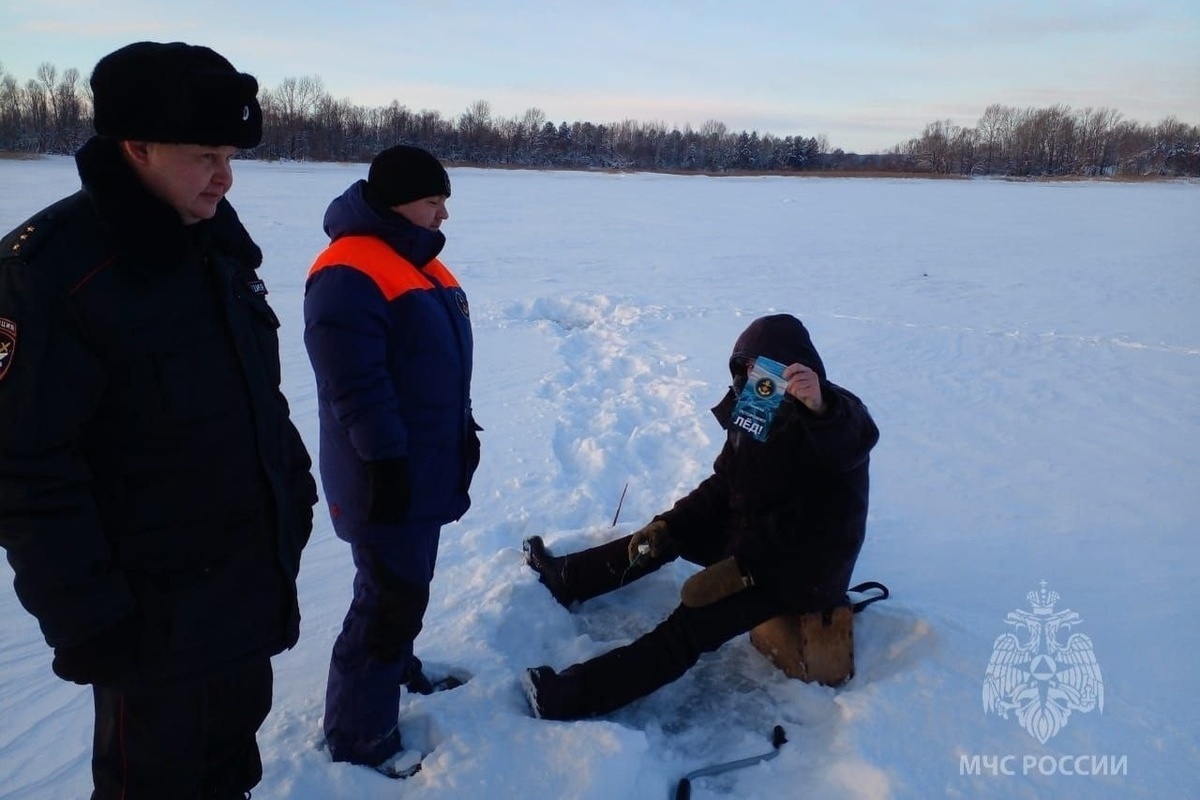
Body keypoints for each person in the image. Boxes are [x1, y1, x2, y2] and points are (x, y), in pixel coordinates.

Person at [0, 42, 317, 799]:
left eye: (231, 154)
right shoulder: (54, 274)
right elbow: (23, 466)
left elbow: (258, 401)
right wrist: (93, 622)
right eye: (205, 154)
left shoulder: (216, 246)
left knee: (231, 770)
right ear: (134, 147)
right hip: (149, 625)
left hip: (243, 594)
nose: (225, 175)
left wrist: (293, 499)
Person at [521, 313, 879, 719]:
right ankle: (569, 578)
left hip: (799, 569)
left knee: (692, 624)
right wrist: (670, 525)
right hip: (753, 535)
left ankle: (571, 696)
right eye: (747, 365)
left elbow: (852, 438)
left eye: (768, 365)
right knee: (659, 537)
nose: (755, 374)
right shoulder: (760, 401)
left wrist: (818, 405)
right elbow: (727, 482)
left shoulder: (832, 413)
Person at [303, 145, 481, 775]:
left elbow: (429, 366)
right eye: (434, 201)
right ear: (398, 200)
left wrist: (463, 432)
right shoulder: (349, 270)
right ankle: (359, 736)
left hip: (423, 464)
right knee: (385, 600)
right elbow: (355, 386)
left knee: (408, 587)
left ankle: (396, 671)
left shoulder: (418, 261)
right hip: (383, 473)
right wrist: (386, 464)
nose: (442, 215)